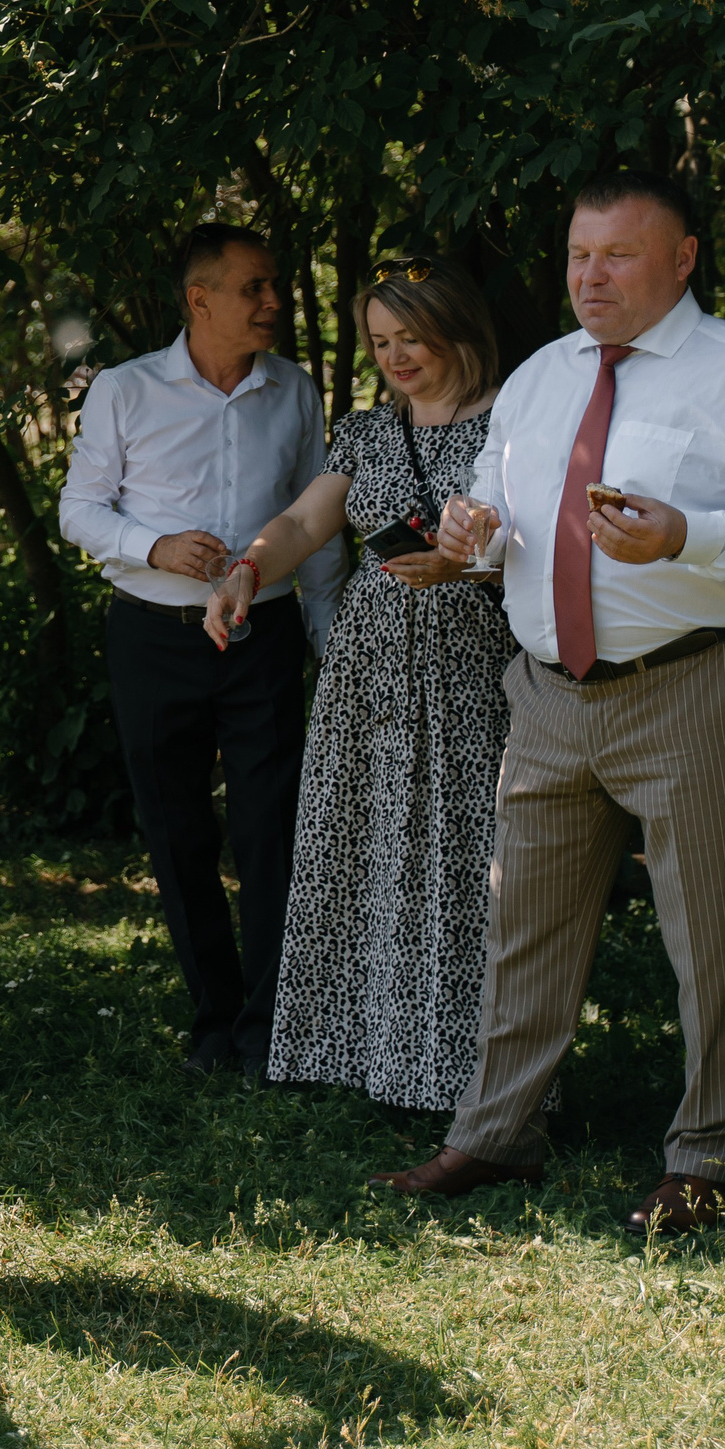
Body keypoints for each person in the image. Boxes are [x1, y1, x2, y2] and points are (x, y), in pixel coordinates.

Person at [375, 171, 725, 1237]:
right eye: (578, 255)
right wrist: (471, 539)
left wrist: (687, 535)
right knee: (523, 924)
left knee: (710, 936)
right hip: (548, 694)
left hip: (693, 685)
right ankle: (496, 1131)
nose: (589, 276)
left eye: (616, 255)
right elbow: (509, 507)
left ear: (682, 259)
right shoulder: (539, 376)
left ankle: (708, 1153)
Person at [203, 259, 514, 1108]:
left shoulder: (517, 425)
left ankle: (464, 1076)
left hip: (469, 679)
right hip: (367, 681)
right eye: (380, 342)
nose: (395, 356)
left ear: (455, 324)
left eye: (410, 336)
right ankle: (362, 1059)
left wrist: (467, 570)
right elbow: (308, 520)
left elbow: (542, 550)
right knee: (359, 860)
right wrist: (246, 572)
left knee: (462, 870)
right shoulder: (370, 432)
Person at [58, 224, 346, 1080]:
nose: (274, 302)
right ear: (200, 299)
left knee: (271, 832)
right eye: (255, 287)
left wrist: (330, 640)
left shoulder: (293, 389)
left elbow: (317, 524)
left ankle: (268, 1032)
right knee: (177, 831)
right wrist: (152, 547)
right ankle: (212, 1021)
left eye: (276, 286)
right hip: (153, 636)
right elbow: (79, 510)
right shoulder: (124, 389)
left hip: (265, 634)